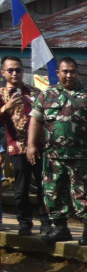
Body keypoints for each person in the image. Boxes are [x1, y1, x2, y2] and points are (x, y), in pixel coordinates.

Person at [26, 56, 87, 246]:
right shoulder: (46, 95)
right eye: (65, 71)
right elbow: (35, 120)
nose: (69, 75)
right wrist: (31, 145)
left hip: (82, 155)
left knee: (85, 193)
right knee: (52, 193)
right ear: (57, 73)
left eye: (72, 71)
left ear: (78, 73)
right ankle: (60, 228)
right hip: (53, 155)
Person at [0, 56, 47, 236]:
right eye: (10, 70)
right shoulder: (1, 94)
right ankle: (25, 223)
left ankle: (45, 222)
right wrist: (7, 107)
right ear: (3, 72)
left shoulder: (34, 92)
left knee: (44, 187)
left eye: (18, 70)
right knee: (21, 189)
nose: (15, 73)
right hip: (18, 147)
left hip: (39, 146)